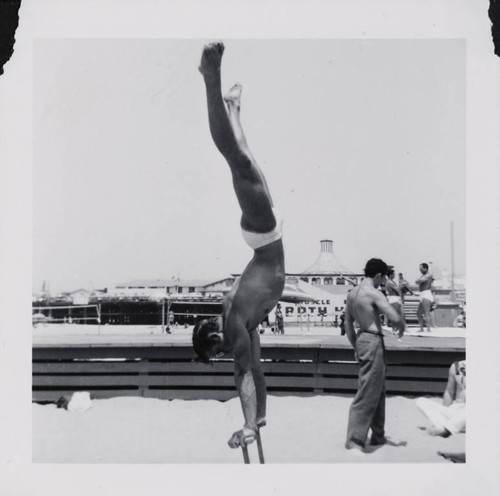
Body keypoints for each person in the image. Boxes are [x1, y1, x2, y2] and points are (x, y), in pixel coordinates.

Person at [193, 42, 285, 450]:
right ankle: (233, 107)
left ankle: (210, 78)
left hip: (264, 238)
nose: (225, 355)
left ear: (214, 338)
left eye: (216, 353)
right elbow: (256, 372)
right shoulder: (241, 325)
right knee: (244, 156)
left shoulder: (233, 323)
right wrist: (258, 418)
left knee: (237, 159)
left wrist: (245, 426)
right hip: (267, 238)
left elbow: (242, 374)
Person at [344, 258, 405, 452]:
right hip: (373, 340)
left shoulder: (352, 293)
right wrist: (402, 325)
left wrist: (356, 346)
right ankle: (354, 441)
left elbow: (347, 325)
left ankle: (378, 435)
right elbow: (395, 318)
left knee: (378, 389)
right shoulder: (374, 293)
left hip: (362, 338)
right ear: (378, 275)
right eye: (383, 277)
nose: (383, 281)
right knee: (368, 391)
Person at [416, 360, 466, 437]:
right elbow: (449, 392)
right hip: (456, 411)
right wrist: (444, 414)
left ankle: (448, 429)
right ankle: (444, 426)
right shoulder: (457, 366)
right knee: (420, 401)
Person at [385, 268, 406, 337]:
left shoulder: (391, 281)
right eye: (393, 274)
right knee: (396, 315)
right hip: (393, 298)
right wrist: (402, 286)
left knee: (402, 314)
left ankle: (399, 328)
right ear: (391, 275)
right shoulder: (389, 282)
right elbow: (397, 290)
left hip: (396, 298)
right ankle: (394, 330)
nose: (394, 275)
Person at [416, 262, 434, 333]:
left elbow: (419, 281)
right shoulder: (423, 275)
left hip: (426, 294)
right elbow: (418, 281)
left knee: (427, 312)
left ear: (426, 268)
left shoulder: (428, 275)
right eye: (419, 269)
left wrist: (418, 281)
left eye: (421, 268)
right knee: (418, 313)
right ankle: (421, 328)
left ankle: (428, 329)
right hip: (422, 294)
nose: (420, 270)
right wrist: (418, 281)